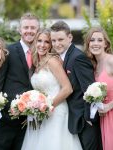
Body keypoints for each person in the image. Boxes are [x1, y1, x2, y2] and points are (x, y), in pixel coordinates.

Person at [21, 28, 82, 150]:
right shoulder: (37, 62)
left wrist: (47, 107)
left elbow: (67, 88)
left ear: (51, 45)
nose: (42, 45)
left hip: (57, 111)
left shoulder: (52, 61)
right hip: (41, 113)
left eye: (47, 42)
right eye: (39, 41)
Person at [0, 12, 40, 150]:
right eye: (26, 27)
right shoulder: (8, 52)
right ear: (20, 29)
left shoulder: (42, 53)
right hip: (6, 119)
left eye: (33, 28)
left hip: (30, 121)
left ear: (38, 30)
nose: (29, 31)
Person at [50, 21, 102, 150]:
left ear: (70, 37)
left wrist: (90, 118)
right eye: (54, 40)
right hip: (72, 118)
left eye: (60, 39)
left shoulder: (77, 58)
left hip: (85, 121)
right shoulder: (61, 57)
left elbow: (90, 89)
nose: (57, 44)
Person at [84, 27, 113, 150]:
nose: (95, 43)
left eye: (99, 40)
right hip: (103, 116)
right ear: (88, 43)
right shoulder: (93, 65)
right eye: (92, 40)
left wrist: (110, 105)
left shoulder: (111, 60)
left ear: (105, 43)